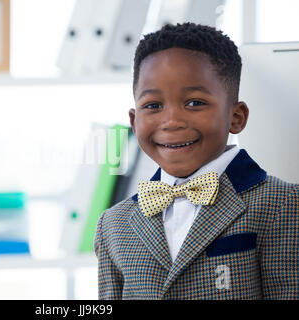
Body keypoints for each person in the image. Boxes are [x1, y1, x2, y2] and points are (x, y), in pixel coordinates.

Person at [94, 22, 298, 299]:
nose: (171, 122)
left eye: (194, 103)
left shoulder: (283, 204)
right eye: (153, 105)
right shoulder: (113, 225)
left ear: (236, 117)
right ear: (134, 120)